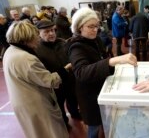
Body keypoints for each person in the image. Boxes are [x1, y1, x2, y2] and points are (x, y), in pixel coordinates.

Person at [68, 7, 137, 138]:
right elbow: (81, 72)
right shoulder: (76, 47)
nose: (95, 30)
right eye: (91, 26)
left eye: (97, 26)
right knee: (94, 127)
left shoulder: (95, 40)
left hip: (102, 89)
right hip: (90, 96)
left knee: (105, 121)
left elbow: (102, 58)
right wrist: (112, 61)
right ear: (80, 27)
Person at [3, 21, 70, 138]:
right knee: (51, 132)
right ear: (26, 38)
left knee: (36, 132)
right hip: (36, 105)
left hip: (22, 102)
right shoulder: (26, 59)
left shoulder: (10, 51)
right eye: (35, 36)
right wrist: (66, 69)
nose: (38, 39)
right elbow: (50, 81)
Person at [35, 20, 81, 130]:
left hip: (69, 80)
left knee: (72, 99)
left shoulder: (63, 43)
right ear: (39, 33)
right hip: (55, 84)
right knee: (59, 105)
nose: (51, 33)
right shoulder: (36, 49)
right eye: (46, 31)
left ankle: (75, 113)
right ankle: (64, 122)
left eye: (52, 30)